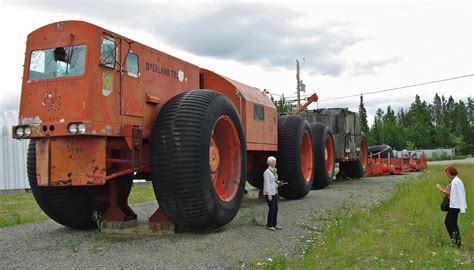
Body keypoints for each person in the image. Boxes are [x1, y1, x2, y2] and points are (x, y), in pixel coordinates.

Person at [435, 166, 467, 247]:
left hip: (454, 206)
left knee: (448, 222)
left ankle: (456, 242)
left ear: (450, 173)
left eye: (447, 173)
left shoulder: (455, 181)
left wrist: (440, 189)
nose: (447, 174)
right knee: (453, 223)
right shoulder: (456, 180)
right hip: (454, 205)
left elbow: (451, 193)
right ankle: (458, 241)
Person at [263, 156, 282, 231]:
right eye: (274, 162)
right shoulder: (267, 172)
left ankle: (275, 224)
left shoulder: (274, 171)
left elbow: (273, 181)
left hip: (274, 192)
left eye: (275, 161)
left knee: (276, 209)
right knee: (272, 209)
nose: (275, 163)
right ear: (269, 163)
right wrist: (269, 194)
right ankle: (269, 224)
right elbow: (267, 184)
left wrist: (278, 183)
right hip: (270, 193)